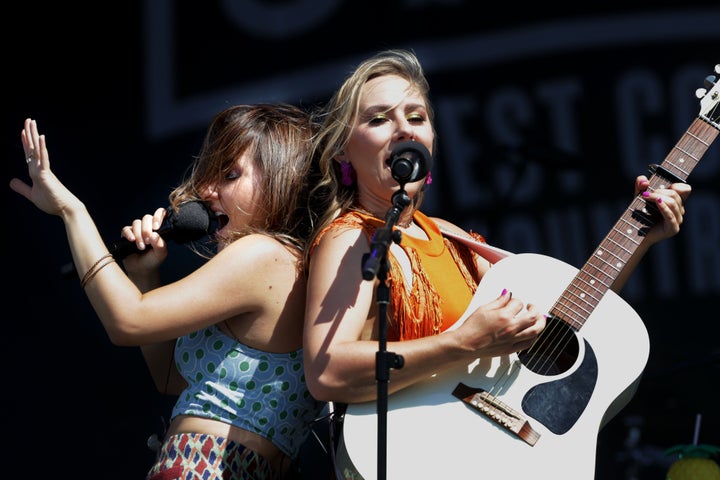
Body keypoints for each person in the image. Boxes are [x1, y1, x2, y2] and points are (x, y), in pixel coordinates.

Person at [301, 49, 692, 478]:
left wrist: (641, 236)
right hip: (410, 458)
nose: (402, 130)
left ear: (430, 139)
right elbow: (328, 371)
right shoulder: (352, 237)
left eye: (416, 117)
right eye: (378, 119)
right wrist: (465, 341)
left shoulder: (451, 237)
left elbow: (560, 327)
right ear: (342, 150)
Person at [10, 104, 327, 480]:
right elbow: (171, 377)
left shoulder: (265, 254)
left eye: (230, 174)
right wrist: (145, 276)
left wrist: (71, 211)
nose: (207, 190)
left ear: (283, 178)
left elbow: (127, 321)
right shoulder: (284, 265)